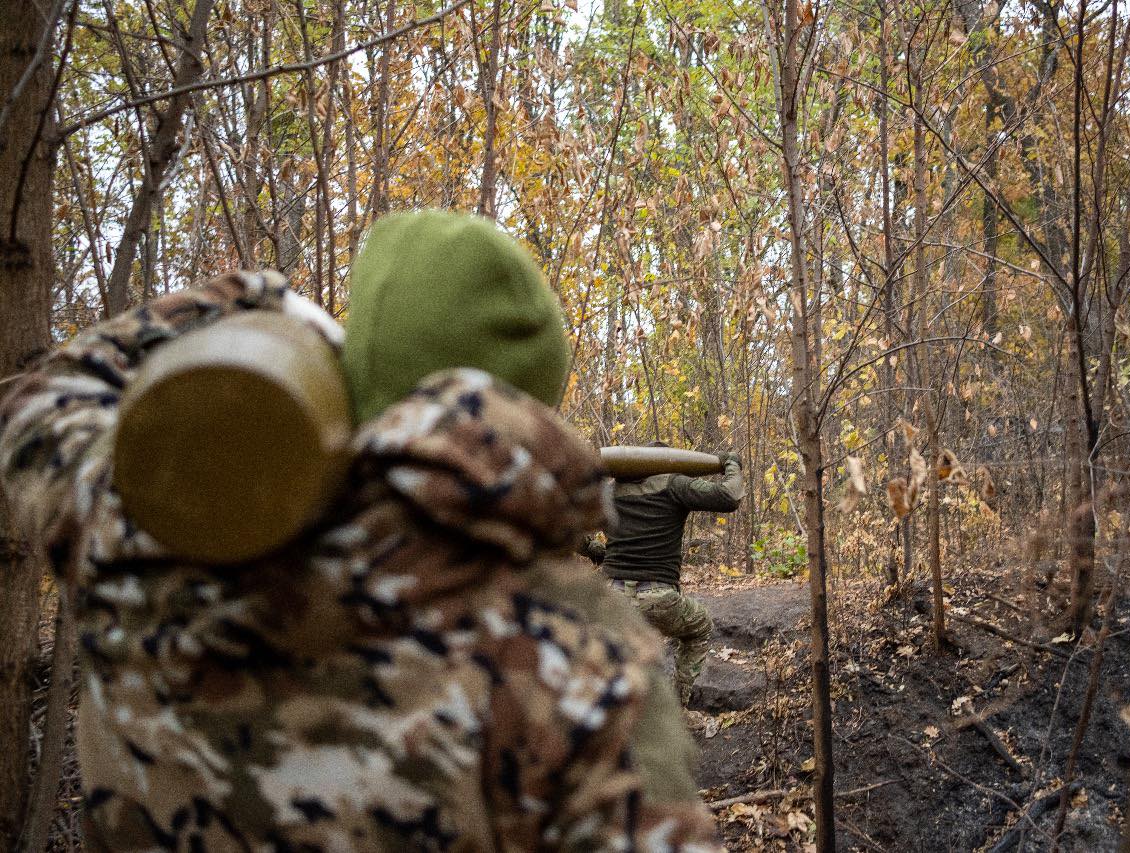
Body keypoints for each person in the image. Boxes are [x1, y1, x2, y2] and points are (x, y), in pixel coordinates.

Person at [0, 211, 719, 851]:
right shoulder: (577, 658)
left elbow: (42, 403)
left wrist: (255, 299)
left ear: (351, 372)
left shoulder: (132, 538)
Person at [600, 444, 744, 706]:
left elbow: (574, 534)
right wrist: (731, 463)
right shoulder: (673, 484)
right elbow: (729, 496)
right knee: (699, 627)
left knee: (612, 651)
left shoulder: (609, 491)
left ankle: (613, 717)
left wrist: (600, 552)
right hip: (658, 598)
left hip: (611, 596)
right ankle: (679, 709)